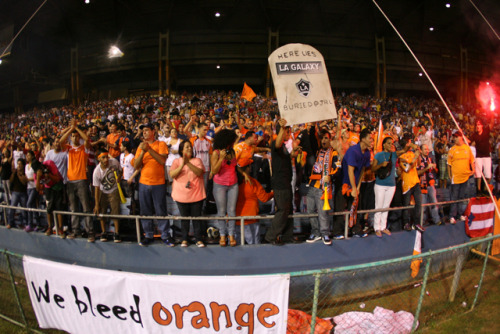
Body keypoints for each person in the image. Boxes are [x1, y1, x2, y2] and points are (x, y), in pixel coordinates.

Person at [133, 123, 173, 246]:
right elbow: (136, 165)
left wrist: (149, 149)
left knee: (161, 210)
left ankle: (165, 235)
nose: (144, 133)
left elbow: (162, 160)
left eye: (146, 130)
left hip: (158, 183)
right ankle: (148, 235)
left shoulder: (161, 144)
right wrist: (141, 152)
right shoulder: (141, 147)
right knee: (145, 210)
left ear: (153, 131)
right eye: (143, 131)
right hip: (144, 182)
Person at [264, 119, 301, 245]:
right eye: (286, 131)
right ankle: (271, 236)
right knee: (282, 210)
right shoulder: (276, 143)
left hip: (286, 181)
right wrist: (282, 127)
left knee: (288, 210)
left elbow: (287, 157)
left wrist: (295, 153)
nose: (288, 133)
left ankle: (287, 236)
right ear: (281, 132)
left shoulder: (284, 146)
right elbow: (278, 144)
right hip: (280, 183)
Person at [332, 128, 372, 239]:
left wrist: (358, 187)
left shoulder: (367, 153)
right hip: (344, 183)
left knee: (354, 208)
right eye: (370, 138)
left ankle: (355, 230)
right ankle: (337, 232)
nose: (372, 140)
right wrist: (353, 188)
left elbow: (363, 170)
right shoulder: (353, 151)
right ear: (363, 139)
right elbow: (350, 170)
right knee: (340, 207)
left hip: (354, 184)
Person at [60, 121, 94, 241]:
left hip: (81, 180)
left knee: (86, 207)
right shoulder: (68, 148)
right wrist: (70, 129)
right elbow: (60, 142)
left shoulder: (83, 148)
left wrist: (77, 129)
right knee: (73, 208)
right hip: (70, 181)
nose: (74, 137)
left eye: (76, 136)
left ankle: (89, 231)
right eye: (73, 136)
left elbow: (87, 139)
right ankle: (75, 230)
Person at [170, 140, 206, 248]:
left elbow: (199, 172)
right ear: (181, 150)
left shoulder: (197, 160)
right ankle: (184, 239)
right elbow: (172, 174)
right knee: (184, 219)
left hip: (196, 194)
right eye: (186, 147)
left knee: (196, 218)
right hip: (181, 195)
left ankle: (198, 239)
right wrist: (182, 165)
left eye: (190, 147)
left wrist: (188, 163)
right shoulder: (176, 161)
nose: (189, 148)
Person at [305, 130, 339, 245]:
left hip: (323, 187)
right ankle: (316, 232)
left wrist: (331, 176)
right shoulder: (317, 151)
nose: (323, 141)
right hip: (312, 185)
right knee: (310, 211)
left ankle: (325, 233)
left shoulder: (334, 153)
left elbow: (338, 168)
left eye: (326, 138)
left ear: (330, 140)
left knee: (322, 212)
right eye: (322, 138)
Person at [235, 159, 274, 244]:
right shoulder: (252, 182)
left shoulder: (233, 182)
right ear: (248, 168)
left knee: (236, 251)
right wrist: (273, 193)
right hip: (250, 220)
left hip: (234, 221)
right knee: (254, 249)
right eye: (249, 165)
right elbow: (264, 198)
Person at [211, 129, 239, 247]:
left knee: (232, 211)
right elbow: (214, 171)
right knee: (221, 211)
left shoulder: (233, 151)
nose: (233, 143)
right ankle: (223, 235)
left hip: (233, 184)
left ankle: (231, 234)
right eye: (231, 141)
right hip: (219, 185)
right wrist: (221, 158)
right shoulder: (216, 153)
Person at [93, 149, 122, 243]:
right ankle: (103, 232)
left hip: (114, 189)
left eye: (107, 157)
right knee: (102, 211)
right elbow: (96, 189)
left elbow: (121, 170)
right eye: (103, 158)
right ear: (99, 159)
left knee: (115, 211)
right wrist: (96, 204)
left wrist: (119, 177)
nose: (106, 159)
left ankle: (116, 233)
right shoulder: (96, 171)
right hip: (102, 191)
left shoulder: (114, 162)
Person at [371, 137, 398, 237]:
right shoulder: (378, 155)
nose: (391, 145)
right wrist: (381, 165)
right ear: (384, 144)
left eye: (392, 143)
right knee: (379, 206)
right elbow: (373, 168)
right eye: (389, 143)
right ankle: (376, 227)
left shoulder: (394, 155)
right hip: (380, 185)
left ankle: (383, 227)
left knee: (386, 207)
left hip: (391, 185)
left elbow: (404, 150)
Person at [399, 135, 425, 232]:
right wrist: (415, 158)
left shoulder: (412, 153)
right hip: (407, 184)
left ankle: (416, 223)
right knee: (406, 205)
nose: (412, 144)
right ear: (406, 143)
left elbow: (417, 164)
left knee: (418, 203)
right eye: (410, 142)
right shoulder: (401, 156)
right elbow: (406, 168)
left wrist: (417, 155)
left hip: (416, 182)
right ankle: (405, 223)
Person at [447, 131, 475, 224]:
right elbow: (448, 164)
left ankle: (460, 215)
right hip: (456, 178)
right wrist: (450, 175)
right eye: (453, 137)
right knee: (454, 197)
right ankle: (451, 216)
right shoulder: (452, 149)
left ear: (460, 137)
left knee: (461, 197)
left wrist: (473, 169)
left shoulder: (467, 148)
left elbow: (472, 160)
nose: (454, 139)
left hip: (465, 177)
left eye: (455, 137)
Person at [36, 159, 64, 237]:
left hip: (57, 186)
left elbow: (57, 179)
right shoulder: (36, 174)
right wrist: (38, 177)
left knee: (58, 208)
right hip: (48, 188)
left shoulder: (49, 164)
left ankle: (60, 228)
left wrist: (48, 175)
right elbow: (38, 189)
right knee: (49, 208)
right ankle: (50, 227)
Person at [417, 144, 442, 226]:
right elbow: (417, 173)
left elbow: (437, 171)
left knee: (434, 203)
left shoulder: (430, 159)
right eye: (425, 149)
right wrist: (427, 168)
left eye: (427, 149)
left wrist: (435, 168)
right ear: (420, 150)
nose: (427, 151)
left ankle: (436, 220)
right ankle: (422, 222)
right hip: (422, 185)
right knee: (423, 205)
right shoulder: (418, 160)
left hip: (431, 184)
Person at [471, 119, 491, 196]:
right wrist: (462, 134)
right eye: (476, 124)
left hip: (486, 156)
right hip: (478, 156)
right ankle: (479, 190)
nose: (477, 126)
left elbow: (491, 124)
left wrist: (492, 113)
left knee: (488, 175)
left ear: (482, 125)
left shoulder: (486, 132)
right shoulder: (474, 135)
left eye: (479, 124)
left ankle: (485, 189)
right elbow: (469, 141)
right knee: (478, 174)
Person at [24, 150, 42, 232]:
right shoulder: (26, 165)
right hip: (28, 187)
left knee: (29, 204)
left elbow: (36, 176)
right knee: (33, 206)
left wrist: (28, 179)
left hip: (34, 187)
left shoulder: (34, 165)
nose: (27, 157)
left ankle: (30, 224)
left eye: (29, 155)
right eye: (26, 155)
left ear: (32, 156)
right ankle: (38, 224)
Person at [7, 159, 28, 229]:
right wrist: (13, 173)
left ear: (23, 165)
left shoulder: (25, 172)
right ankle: (10, 222)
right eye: (18, 164)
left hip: (23, 193)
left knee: (24, 209)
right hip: (15, 192)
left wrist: (19, 175)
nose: (18, 165)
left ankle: (25, 223)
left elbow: (24, 182)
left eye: (20, 164)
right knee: (12, 208)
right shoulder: (15, 172)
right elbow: (11, 181)